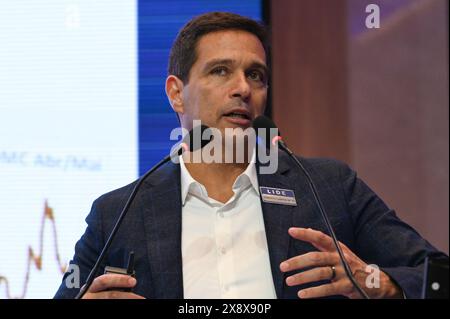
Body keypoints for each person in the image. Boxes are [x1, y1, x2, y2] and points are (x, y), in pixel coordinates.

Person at [54, 12, 446, 299]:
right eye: (221, 71)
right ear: (176, 93)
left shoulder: (330, 188)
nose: (243, 88)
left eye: (255, 75)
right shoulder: (119, 212)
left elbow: (437, 277)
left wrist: (381, 284)